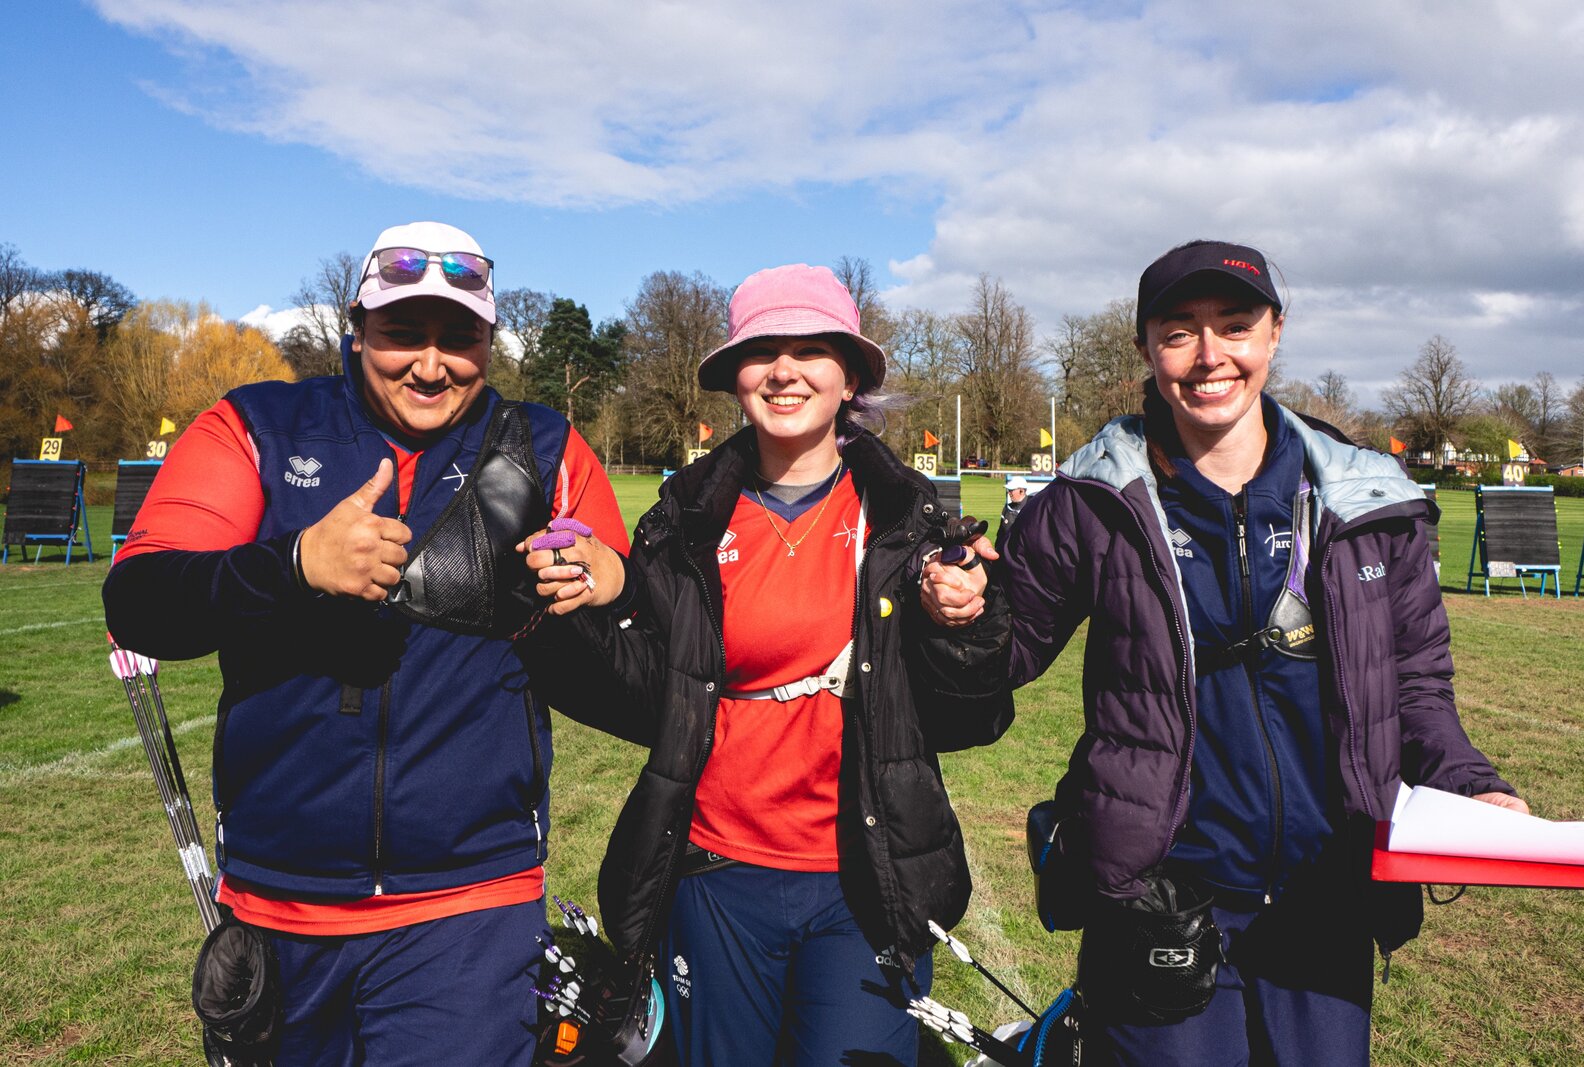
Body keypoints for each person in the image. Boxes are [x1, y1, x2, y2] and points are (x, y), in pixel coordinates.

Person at [102, 221, 629, 1066]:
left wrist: (611, 579)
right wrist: (296, 564)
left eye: (459, 337)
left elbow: (632, 646)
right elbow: (140, 599)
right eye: (402, 334)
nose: (431, 364)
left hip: (471, 902)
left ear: (490, 339)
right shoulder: (256, 426)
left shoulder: (547, 446)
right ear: (356, 328)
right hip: (281, 902)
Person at [989, 240, 1527, 1064]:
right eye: (1179, 331)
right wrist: (949, 604)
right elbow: (997, 654)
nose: (1211, 356)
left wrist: (1470, 783)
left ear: (1275, 333)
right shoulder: (1093, 499)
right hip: (1161, 898)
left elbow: (1416, 686)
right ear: (1145, 348)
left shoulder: (1367, 499)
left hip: (1324, 898)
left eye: (1235, 326)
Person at [521, 263, 1014, 1066]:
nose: (785, 369)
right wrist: (578, 609)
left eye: (811, 348)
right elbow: (646, 695)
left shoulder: (910, 519)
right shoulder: (681, 519)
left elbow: (971, 715)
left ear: (849, 373)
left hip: (865, 879)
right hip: (716, 874)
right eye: (762, 351)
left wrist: (967, 618)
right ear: (735, 377)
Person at [999, 475, 1031, 543]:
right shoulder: (1007, 508)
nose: (1009, 493)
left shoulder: (1032, 508)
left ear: (1021, 491)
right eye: (1008, 490)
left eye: (1011, 490)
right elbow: (1000, 534)